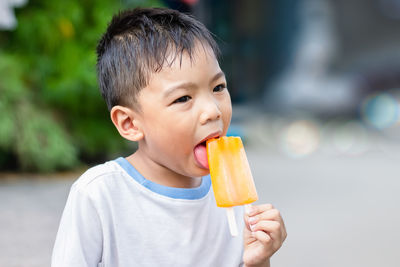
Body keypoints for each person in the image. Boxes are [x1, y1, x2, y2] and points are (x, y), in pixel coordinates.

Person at [51, 7, 287, 267]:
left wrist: (259, 260)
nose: (212, 111)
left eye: (218, 87)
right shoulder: (99, 195)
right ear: (130, 123)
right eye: (183, 98)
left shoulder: (233, 205)